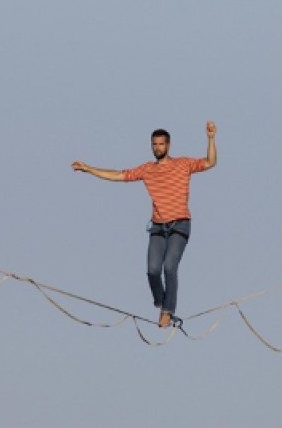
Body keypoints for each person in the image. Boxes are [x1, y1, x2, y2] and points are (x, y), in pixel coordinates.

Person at [72, 122, 217, 328]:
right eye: (154, 144)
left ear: (169, 145)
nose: (157, 148)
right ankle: (160, 301)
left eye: (161, 144)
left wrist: (211, 138)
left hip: (180, 224)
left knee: (170, 267)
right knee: (152, 270)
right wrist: (89, 169)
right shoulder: (147, 170)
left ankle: (167, 312)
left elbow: (210, 162)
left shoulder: (183, 164)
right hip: (158, 226)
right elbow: (118, 175)